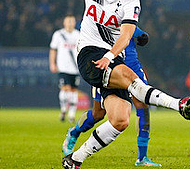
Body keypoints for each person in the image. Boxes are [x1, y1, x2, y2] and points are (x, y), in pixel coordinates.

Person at [9, 0, 190, 169]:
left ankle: (74, 160)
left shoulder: (131, 0)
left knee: (120, 120)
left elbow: (127, 34)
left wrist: (111, 55)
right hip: (90, 55)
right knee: (130, 82)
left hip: (112, 60)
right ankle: (179, 104)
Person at [62, 26, 161, 167]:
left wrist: (142, 35)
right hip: (109, 67)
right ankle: (74, 132)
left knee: (142, 105)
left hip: (132, 66)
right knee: (98, 113)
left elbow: (134, 31)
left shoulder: (126, 12)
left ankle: (142, 157)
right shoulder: (103, 17)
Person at [50, 15, 81, 123]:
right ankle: (63, 110)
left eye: (72, 21)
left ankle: (71, 115)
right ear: (64, 23)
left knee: (73, 90)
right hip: (63, 67)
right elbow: (53, 50)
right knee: (65, 88)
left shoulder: (78, 35)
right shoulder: (58, 35)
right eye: (68, 21)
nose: (70, 23)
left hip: (75, 68)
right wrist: (52, 63)